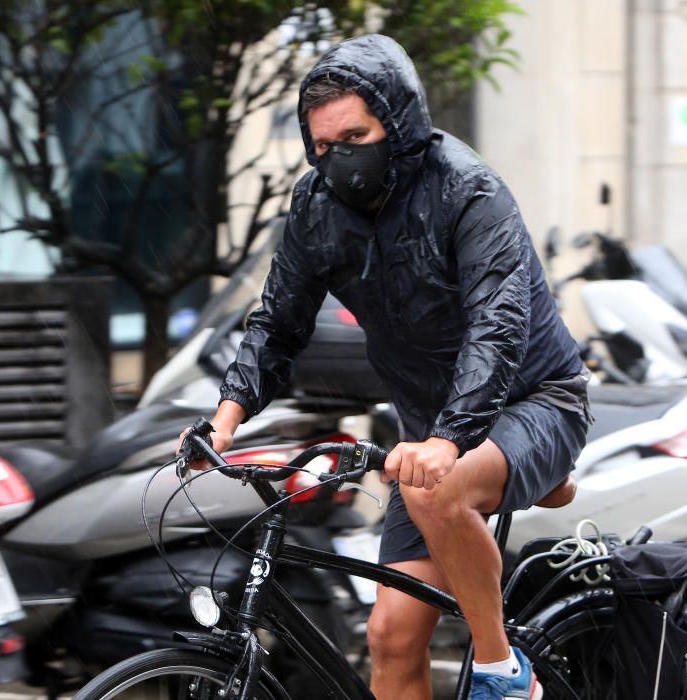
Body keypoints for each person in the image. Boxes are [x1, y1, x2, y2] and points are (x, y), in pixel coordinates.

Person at [180, 34, 590, 700]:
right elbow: (277, 322)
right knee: (390, 637)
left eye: (355, 136)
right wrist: (222, 423)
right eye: (322, 146)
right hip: (428, 432)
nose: (336, 159)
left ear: (398, 124)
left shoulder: (468, 190)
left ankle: (502, 673)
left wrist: (447, 440)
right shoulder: (317, 208)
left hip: (531, 398)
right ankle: (519, 485)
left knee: (440, 488)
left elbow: (496, 326)